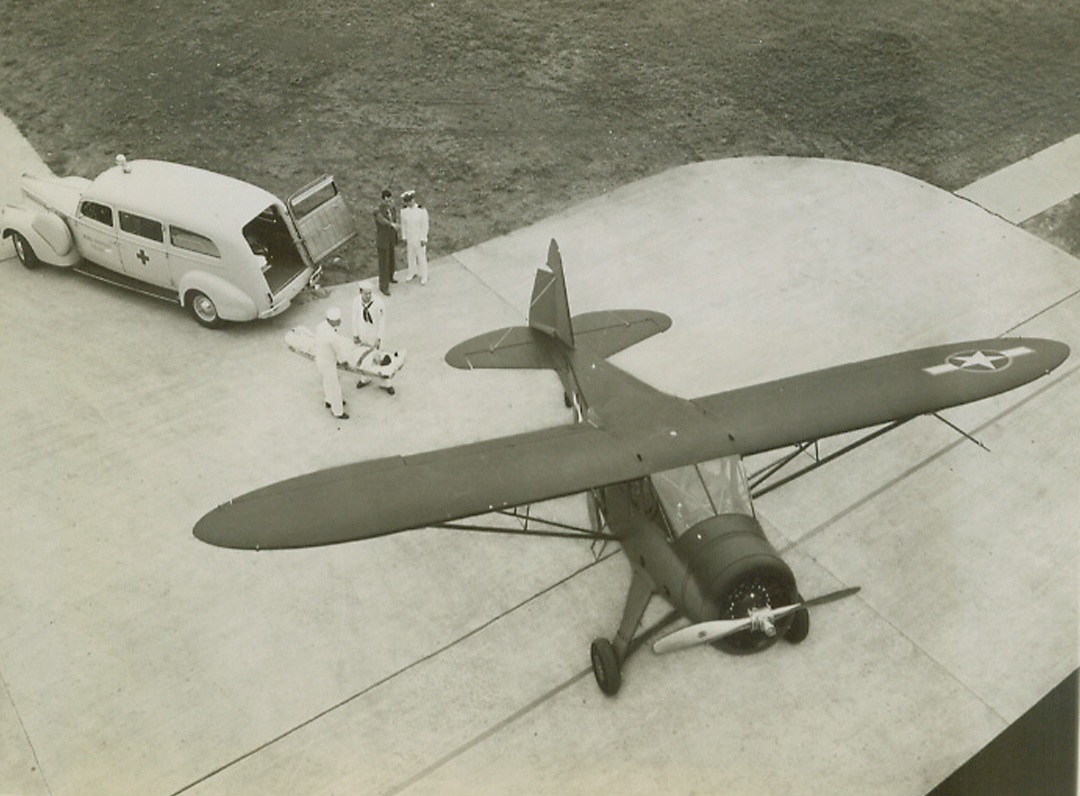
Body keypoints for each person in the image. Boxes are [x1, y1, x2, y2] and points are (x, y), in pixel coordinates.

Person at [351, 283, 394, 394]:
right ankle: (365, 378)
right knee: (364, 357)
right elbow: (354, 319)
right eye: (366, 294)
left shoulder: (378, 302)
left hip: (375, 334)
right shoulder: (356, 302)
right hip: (363, 334)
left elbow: (382, 322)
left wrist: (379, 338)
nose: (369, 296)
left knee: (381, 359)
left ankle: (387, 383)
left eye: (370, 293)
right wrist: (355, 334)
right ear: (360, 292)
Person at [314, 306, 350, 419]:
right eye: (337, 320)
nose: (340, 322)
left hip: (320, 359)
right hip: (328, 362)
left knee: (327, 381)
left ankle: (328, 400)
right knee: (335, 387)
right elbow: (338, 350)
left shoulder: (321, 326)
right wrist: (344, 361)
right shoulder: (331, 336)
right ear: (330, 321)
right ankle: (338, 411)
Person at [399, 190, 430, 285]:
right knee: (410, 256)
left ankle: (424, 275)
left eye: (410, 201)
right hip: (410, 237)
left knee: (421, 257)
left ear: (413, 199)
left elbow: (425, 225)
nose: (409, 203)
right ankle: (412, 272)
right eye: (407, 201)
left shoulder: (421, 211)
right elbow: (403, 225)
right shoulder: (404, 211)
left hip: (419, 237)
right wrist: (404, 237)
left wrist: (423, 238)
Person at [373, 189, 399, 296]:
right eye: (387, 200)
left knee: (391, 259)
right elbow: (381, 220)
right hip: (382, 240)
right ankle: (383, 286)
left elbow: (394, 219)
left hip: (391, 239)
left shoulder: (392, 209)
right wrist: (391, 224)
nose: (389, 202)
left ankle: (390, 277)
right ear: (383, 199)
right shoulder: (377, 210)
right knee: (383, 263)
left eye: (390, 199)